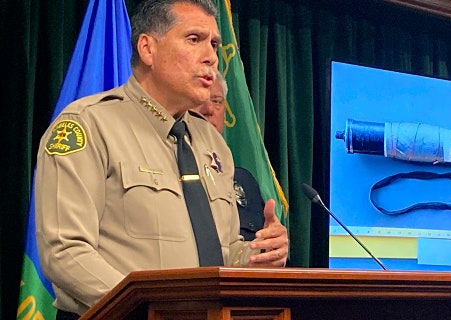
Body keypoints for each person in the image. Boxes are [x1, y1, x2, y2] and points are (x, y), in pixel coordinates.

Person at [34, 0, 288, 318]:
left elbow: (222, 251)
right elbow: (65, 253)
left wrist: (258, 254)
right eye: (194, 39)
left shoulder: (213, 144)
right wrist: (150, 311)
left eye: (213, 43)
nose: (211, 57)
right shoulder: (88, 125)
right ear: (148, 49)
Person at [192, 71, 266, 241]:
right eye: (199, 101)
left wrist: (271, 247)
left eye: (217, 101)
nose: (209, 110)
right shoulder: (173, 169)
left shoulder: (244, 181)